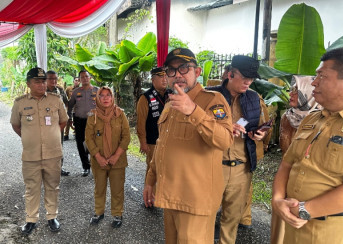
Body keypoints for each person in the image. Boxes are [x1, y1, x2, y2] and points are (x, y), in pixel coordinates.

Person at [143, 48, 233, 243]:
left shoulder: (213, 101)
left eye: (184, 68)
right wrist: (150, 180)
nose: (178, 75)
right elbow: (162, 146)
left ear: (197, 72)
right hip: (171, 195)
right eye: (172, 70)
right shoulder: (170, 104)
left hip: (195, 200)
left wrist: (193, 111)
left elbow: (225, 140)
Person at [272, 46, 343, 243]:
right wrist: (278, 199)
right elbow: (287, 163)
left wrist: (304, 210)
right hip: (292, 227)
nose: (313, 82)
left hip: (331, 233)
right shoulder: (313, 118)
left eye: (322, 77)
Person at [207, 55, 270, 244]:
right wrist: (225, 128)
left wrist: (260, 134)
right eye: (244, 77)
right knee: (206, 214)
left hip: (241, 169)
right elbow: (197, 127)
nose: (248, 82)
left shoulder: (253, 98)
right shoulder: (210, 96)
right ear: (230, 74)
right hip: (213, 166)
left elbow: (261, 125)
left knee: (232, 218)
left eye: (251, 78)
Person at [10, 67, 68, 234]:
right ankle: (31, 219)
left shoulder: (56, 100)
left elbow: (63, 122)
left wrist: (51, 136)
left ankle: (52, 216)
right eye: (37, 81)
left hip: (53, 153)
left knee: (52, 186)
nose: (41, 84)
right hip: (31, 154)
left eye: (43, 81)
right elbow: (16, 125)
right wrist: (30, 138)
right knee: (31, 188)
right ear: (28, 84)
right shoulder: (20, 103)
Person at [270, 75, 320, 244]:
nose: (290, 94)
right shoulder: (288, 117)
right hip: (286, 177)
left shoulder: (322, 120)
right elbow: (286, 154)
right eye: (291, 90)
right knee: (281, 225)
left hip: (308, 183)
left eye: (296, 91)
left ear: (309, 93)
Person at [85, 86, 130, 228]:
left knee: (117, 188)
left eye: (108, 95)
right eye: (102, 96)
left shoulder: (120, 114)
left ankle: (117, 213)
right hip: (99, 160)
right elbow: (89, 138)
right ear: (97, 98)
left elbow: (126, 137)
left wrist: (116, 156)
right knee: (99, 187)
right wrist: (98, 156)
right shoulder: (92, 116)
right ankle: (99, 212)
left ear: (112, 97)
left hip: (118, 160)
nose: (105, 98)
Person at [135, 67, 168, 199]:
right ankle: (150, 196)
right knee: (152, 169)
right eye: (161, 77)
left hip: (169, 141)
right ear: (153, 79)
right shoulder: (145, 98)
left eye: (166, 76)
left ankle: (165, 195)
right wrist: (143, 142)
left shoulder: (171, 94)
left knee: (169, 168)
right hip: (152, 141)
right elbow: (141, 123)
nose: (164, 79)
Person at [67, 70, 99, 176]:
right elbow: (70, 106)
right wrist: (70, 118)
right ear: (79, 80)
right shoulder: (76, 92)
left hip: (94, 121)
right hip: (79, 120)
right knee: (80, 143)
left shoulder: (97, 90)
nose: (84, 78)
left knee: (95, 142)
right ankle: (86, 167)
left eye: (86, 76)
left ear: (90, 78)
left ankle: (96, 165)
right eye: (82, 77)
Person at [46, 70, 70, 176]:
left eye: (55, 78)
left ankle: (59, 168)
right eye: (50, 78)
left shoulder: (60, 90)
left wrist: (68, 117)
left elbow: (67, 103)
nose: (53, 80)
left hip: (58, 123)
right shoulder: (41, 90)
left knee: (59, 146)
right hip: (45, 125)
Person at [64, 76, 80, 140]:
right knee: (68, 120)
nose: (77, 82)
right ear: (73, 81)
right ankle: (66, 134)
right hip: (70, 106)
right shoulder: (69, 89)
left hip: (78, 107)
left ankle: (76, 133)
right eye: (76, 80)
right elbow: (64, 97)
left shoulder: (81, 89)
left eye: (78, 81)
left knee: (77, 120)